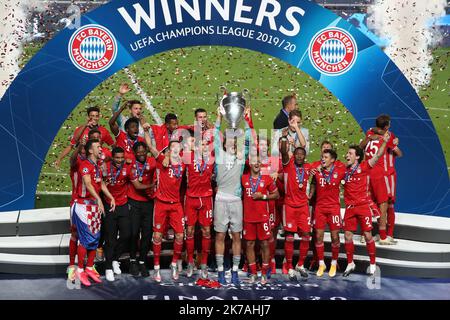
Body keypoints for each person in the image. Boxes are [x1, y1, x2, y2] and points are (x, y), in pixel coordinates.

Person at [342, 132, 390, 277]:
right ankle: (350, 263)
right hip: (350, 208)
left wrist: (384, 142)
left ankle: (373, 264)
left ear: (357, 156)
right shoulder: (344, 170)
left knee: (368, 235)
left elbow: (377, 156)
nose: (347, 155)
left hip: (363, 207)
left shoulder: (364, 166)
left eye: (350, 153)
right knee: (348, 236)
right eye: (347, 153)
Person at [213, 105, 252, 285]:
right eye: (228, 140)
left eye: (233, 141)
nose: (231, 142)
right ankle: (221, 271)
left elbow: (249, 138)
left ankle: (235, 272)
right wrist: (219, 118)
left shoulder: (241, 158)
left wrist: (246, 119)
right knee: (220, 236)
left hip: (236, 201)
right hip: (220, 199)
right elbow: (214, 134)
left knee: (237, 237)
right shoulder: (219, 155)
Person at [101, 146, 153, 281]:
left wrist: (152, 185)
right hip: (109, 205)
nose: (119, 160)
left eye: (121, 158)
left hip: (123, 205)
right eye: (117, 158)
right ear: (112, 157)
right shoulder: (105, 167)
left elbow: (137, 185)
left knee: (127, 234)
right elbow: (99, 184)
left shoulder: (129, 167)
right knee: (110, 239)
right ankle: (108, 268)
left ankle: (114, 259)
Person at [71, 139, 116, 287]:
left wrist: (110, 197)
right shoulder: (85, 166)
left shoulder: (98, 166)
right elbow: (88, 184)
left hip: (94, 207)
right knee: (85, 239)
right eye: (98, 147)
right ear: (90, 150)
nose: (101, 149)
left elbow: (101, 183)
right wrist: (99, 200)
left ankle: (89, 268)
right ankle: (80, 270)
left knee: (95, 239)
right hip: (83, 206)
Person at [148, 140, 186, 282]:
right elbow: (150, 147)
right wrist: (167, 156)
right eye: (173, 147)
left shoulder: (183, 162)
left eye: (178, 147)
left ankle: (174, 263)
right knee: (157, 236)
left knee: (180, 236)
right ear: (169, 150)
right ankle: (156, 267)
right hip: (161, 204)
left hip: (176, 205)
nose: (177, 149)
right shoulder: (162, 160)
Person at [360, 115, 398, 245]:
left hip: (367, 172)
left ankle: (364, 234)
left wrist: (372, 133)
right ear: (387, 126)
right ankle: (384, 236)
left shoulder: (370, 133)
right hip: (381, 173)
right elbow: (399, 153)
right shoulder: (388, 136)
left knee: (369, 202)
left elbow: (361, 146)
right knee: (385, 204)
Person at [242, 157, 279, 284]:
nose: (257, 163)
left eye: (258, 161)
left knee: (264, 244)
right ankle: (253, 273)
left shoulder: (267, 178)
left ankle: (263, 273)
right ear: (250, 164)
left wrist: (263, 196)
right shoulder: (243, 178)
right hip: (248, 217)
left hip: (263, 217)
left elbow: (276, 194)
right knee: (249, 244)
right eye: (254, 161)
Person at [280, 133, 312, 280]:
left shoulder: (308, 167)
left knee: (306, 235)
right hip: (290, 206)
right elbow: (282, 151)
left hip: (303, 206)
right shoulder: (287, 165)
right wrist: (285, 138)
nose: (299, 156)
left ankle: (300, 264)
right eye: (297, 154)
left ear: (304, 157)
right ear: (294, 155)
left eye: (302, 155)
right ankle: (290, 267)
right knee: (290, 238)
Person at [309, 149, 346, 278]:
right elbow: (308, 168)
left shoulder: (339, 170)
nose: (322, 159)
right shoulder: (317, 170)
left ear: (332, 160)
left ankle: (334, 263)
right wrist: (313, 170)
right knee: (318, 236)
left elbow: (348, 166)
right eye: (322, 157)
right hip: (319, 208)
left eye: (325, 157)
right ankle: (321, 264)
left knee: (335, 237)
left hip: (334, 208)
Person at [184, 137, 215, 279]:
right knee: (189, 231)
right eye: (201, 144)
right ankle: (190, 262)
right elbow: (171, 156)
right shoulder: (188, 156)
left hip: (207, 198)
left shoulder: (212, 159)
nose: (204, 147)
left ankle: (203, 264)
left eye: (205, 145)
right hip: (191, 198)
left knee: (206, 232)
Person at [126, 142, 157, 277]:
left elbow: (162, 162)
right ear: (134, 153)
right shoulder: (131, 166)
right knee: (134, 233)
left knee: (147, 233)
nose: (141, 154)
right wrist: (152, 185)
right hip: (134, 202)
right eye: (138, 152)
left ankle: (143, 261)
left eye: (143, 151)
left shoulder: (152, 161)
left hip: (148, 203)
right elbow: (138, 186)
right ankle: (133, 260)